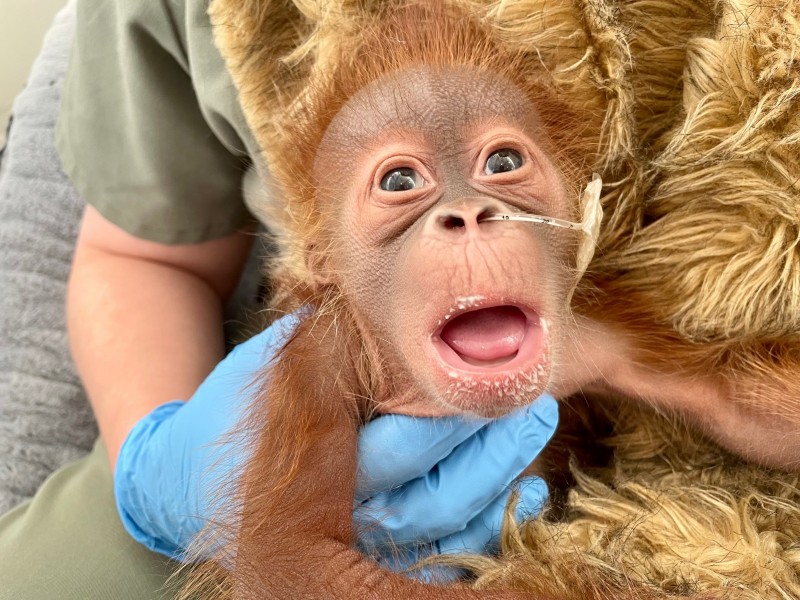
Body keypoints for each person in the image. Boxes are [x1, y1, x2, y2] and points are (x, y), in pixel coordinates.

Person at [0, 2, 560, 598]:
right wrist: (160, 471)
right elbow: (144, 256)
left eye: (502, 163)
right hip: (286, 376)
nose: (467, 213)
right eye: (401, 180)